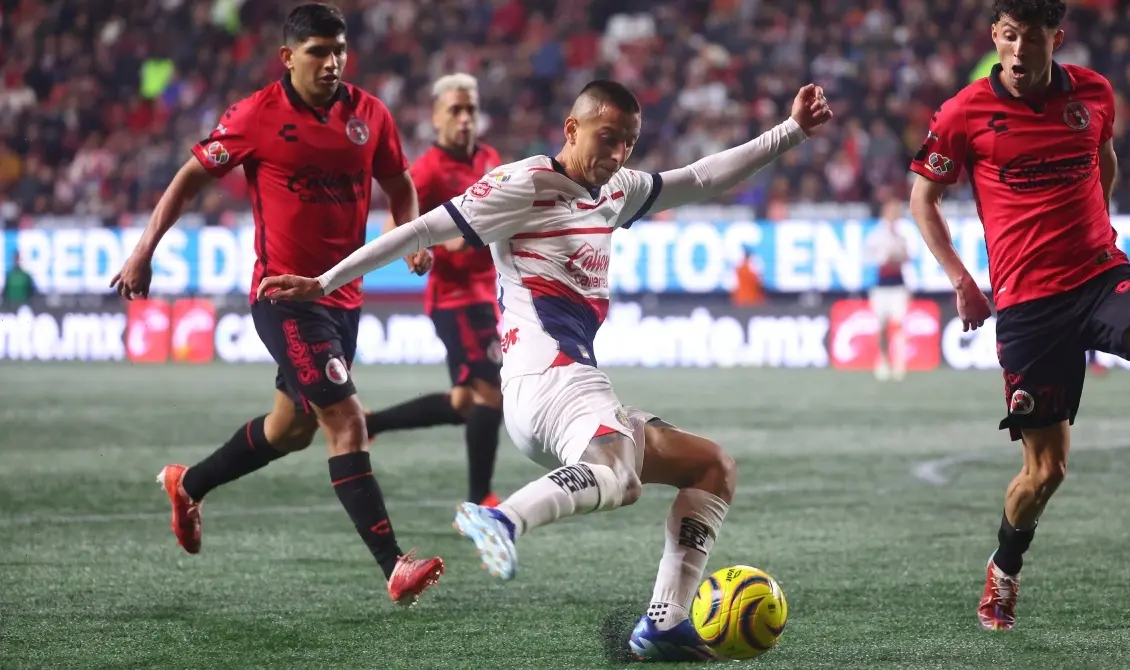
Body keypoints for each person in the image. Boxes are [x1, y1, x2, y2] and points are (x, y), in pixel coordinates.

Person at [258, 79, 832, 660]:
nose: (616, 155)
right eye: (607, 139)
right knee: (619, 479)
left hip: (571, 383)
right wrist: (326, 281)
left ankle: (664, 622)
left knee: (711, 468)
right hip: (549, 378)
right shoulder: (525, 183)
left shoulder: (617, 190)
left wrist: (791, 132)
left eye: (628, 144)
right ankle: (501, 520)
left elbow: (703, 178)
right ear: (571, 129)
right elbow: (424, 227)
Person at [109, 3, 443, 605]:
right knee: (347, 421)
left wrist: (411, 234)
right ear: (288, 57)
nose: (332, 62)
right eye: (318, 51)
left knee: (290, 430)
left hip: (343, 297)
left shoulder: (370, 115)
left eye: (339, 49)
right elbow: (188, 178)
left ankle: (189, 484)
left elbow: (398, 183)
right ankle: (395, 565)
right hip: (283, 297)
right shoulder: (256, 116)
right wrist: (143, 251)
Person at [909, 0, 1130, 632]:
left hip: (1100, 276)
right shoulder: (964, 113)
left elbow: (1104, 157)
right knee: (1046, 471)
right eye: (1008, 37)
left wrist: (1095, 222)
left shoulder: (1093, 93)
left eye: (1031, 40)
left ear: (1055, 41)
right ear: (995, 36)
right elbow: (923, 199)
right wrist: (963, 280)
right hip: (1028, 303)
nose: (1017, 51)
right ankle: (1004, 570)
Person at [364, 73, 505, 508]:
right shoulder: (426, 171)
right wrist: (423, 248)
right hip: (456, 301)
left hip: (489, 295)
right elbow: (393, 229)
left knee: (466, 402)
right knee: (492, 394)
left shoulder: (489, 158)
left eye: (471, 111)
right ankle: (480, 500)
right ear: (436, 118)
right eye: (455, 112)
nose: (465, 120)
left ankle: (372, 424)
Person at [864, 199, 911, 381]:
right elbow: (869, 258)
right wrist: (883, 258)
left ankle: (899, 362)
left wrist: (897, 256)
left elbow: (907, 258)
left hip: (898, 286)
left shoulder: (902, 237)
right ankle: (883, 359)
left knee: (898, 324)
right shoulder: (876, 236)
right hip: (881, 287)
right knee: (882, 326)